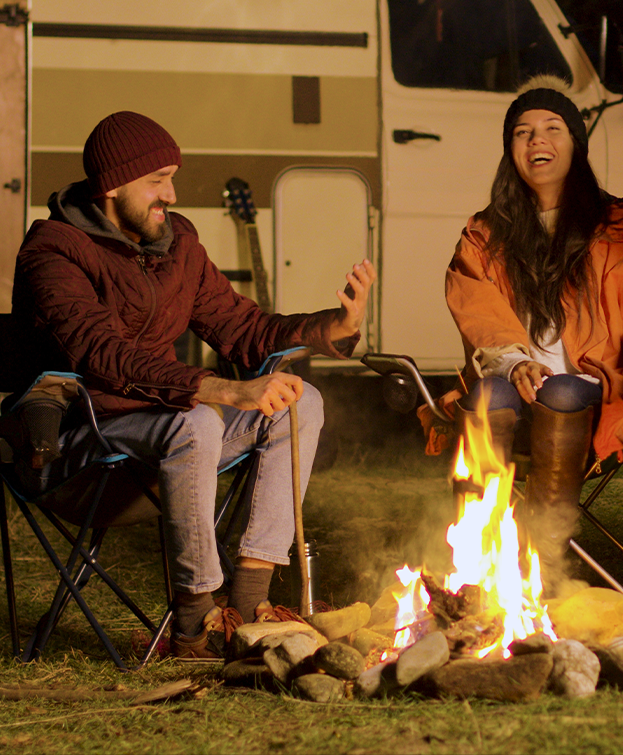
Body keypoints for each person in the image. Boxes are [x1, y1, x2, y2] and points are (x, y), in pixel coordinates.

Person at [9, 111, 376, 658]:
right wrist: (222, 390)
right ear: (113, 186)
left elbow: (243, 328)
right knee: (198, 420)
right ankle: (195, 621)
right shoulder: (53, 252)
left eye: (172, 178)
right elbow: (101, 353)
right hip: (80, 451)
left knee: (300, 402)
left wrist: (332, 327)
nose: (171, 194)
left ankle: (249, 604)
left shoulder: (177, 244)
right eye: (157, 180)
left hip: (167, 445)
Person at [443, 76, 623, 591]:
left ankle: (544, 564)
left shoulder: (618, 227)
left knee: (559, 389)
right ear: (510, 152)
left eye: (552, 128)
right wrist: (514, 361)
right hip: (516, 380)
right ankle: (481, 566)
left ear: (576, 145)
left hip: (598, 385)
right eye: (522, 132)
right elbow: (479, 309)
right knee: (488, 396)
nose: (536, 140)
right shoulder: (485, 235)